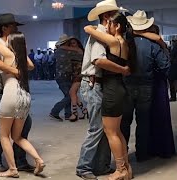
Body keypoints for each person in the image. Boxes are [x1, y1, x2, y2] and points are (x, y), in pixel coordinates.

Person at [0, 32, 45, 178]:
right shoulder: (21, 58)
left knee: (4, 136)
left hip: (11, 94)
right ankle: (38, 159)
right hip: (25, 96)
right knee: (17, 137)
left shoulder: (9, 55)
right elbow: (31, 66)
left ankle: (12, 169)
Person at [76, 0, 122, 179]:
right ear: (106, 16)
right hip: (92, 83)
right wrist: (123, 70)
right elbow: (98, 61)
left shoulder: (103, 33)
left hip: (97, 83)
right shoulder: (99, 34)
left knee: (104, 128)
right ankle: (83, 167)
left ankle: (101, 165)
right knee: (96, 128)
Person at [84, 12, 132, 180]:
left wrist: (99, 28)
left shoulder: (112, 41)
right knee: (117, 132)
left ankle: (120, 170)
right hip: (119, 88)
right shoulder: (124, 43)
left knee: (111, 132)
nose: (107, 27)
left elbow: (88, 28)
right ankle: (126, 168)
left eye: (109, 23)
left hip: (111, 90)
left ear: (117, 26)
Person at [122, 10, 170, 162]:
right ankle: (142, 154)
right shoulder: (153, 44)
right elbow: (165, 66)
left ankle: (122, 154)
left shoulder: (123, 41)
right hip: (146, 87)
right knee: (143, 123)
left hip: (126, 85)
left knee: (124, 122)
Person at [137, 25, 176, 158]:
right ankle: (163, 149)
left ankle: (144, 150)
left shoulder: (130, 41)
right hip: (157, 83)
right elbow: (166, 66)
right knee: (161, 116)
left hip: (135, 83)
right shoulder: (155, 45)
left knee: (143, 119)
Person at [67, 37, 89, 122]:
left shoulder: (79, 50)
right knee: (74, 94)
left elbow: (61, 48)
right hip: (74, 75)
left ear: (77, 44)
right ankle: (84, 110)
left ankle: (75, 113)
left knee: (72, 92)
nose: (72, 45)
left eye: (74, 43)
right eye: (71, 43)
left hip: (79, 74)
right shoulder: (71, 52)